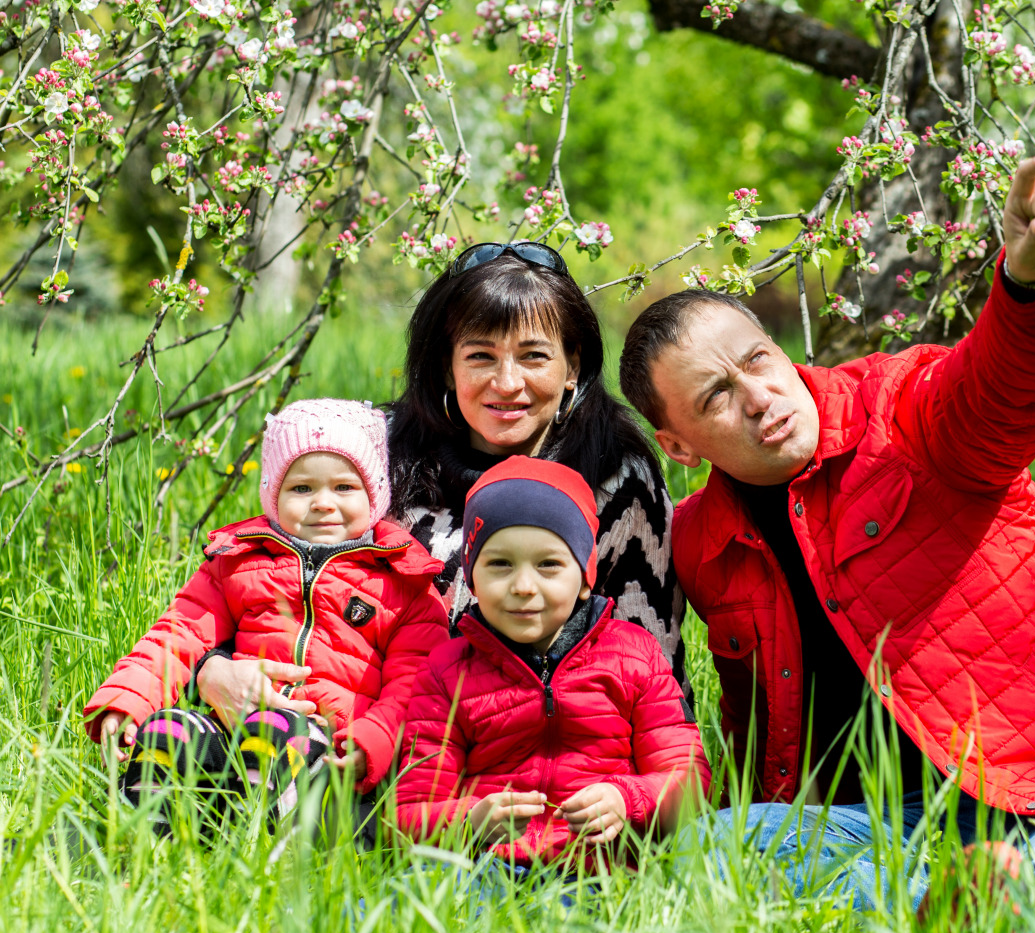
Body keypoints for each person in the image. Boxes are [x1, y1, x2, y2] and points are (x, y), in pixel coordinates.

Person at [616, 156, 1035, 913]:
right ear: (678, 447)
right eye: (716, 396)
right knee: (705, 850)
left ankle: (970, 907)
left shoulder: (900, 408)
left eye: (759, 360)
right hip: (883, 818)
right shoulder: (701, 544)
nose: (759, 397)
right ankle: (946, 904)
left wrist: (1030, 290)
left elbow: (998, 394)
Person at [193, 242, 689, 734]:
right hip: (342, 729)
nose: (507, 382)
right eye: (480, 356)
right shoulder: (376, 454)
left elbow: (653, 688)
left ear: (572, 367)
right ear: (446, 366)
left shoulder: (615, 475)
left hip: (534, 763)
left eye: (533, 355)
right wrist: (210, 668)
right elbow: (263, 576)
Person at [83, 399, 447, 833]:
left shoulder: (401, 582)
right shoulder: (238, 562)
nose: (323, 504)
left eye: (344, 488)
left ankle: (265, 855)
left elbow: (415, 685)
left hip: (330, 747)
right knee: (171, 731)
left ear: (375, 493)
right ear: (273, 493)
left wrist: (373, 741)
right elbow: (177, 634)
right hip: (230, 725)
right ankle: (141, 843)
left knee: (278, 734)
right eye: (302, 489)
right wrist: (125, 702)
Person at [395, 457, 710, 879]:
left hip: (606, 872)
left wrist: (627, 798)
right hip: (488, 870)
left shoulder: (635, 655)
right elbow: (406, 815)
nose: (524, 586)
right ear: (471, 579)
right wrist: (471, 820)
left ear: (584, 578)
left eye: (548, 565)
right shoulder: (447, 672)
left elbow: (689, 780)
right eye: (500, 564)